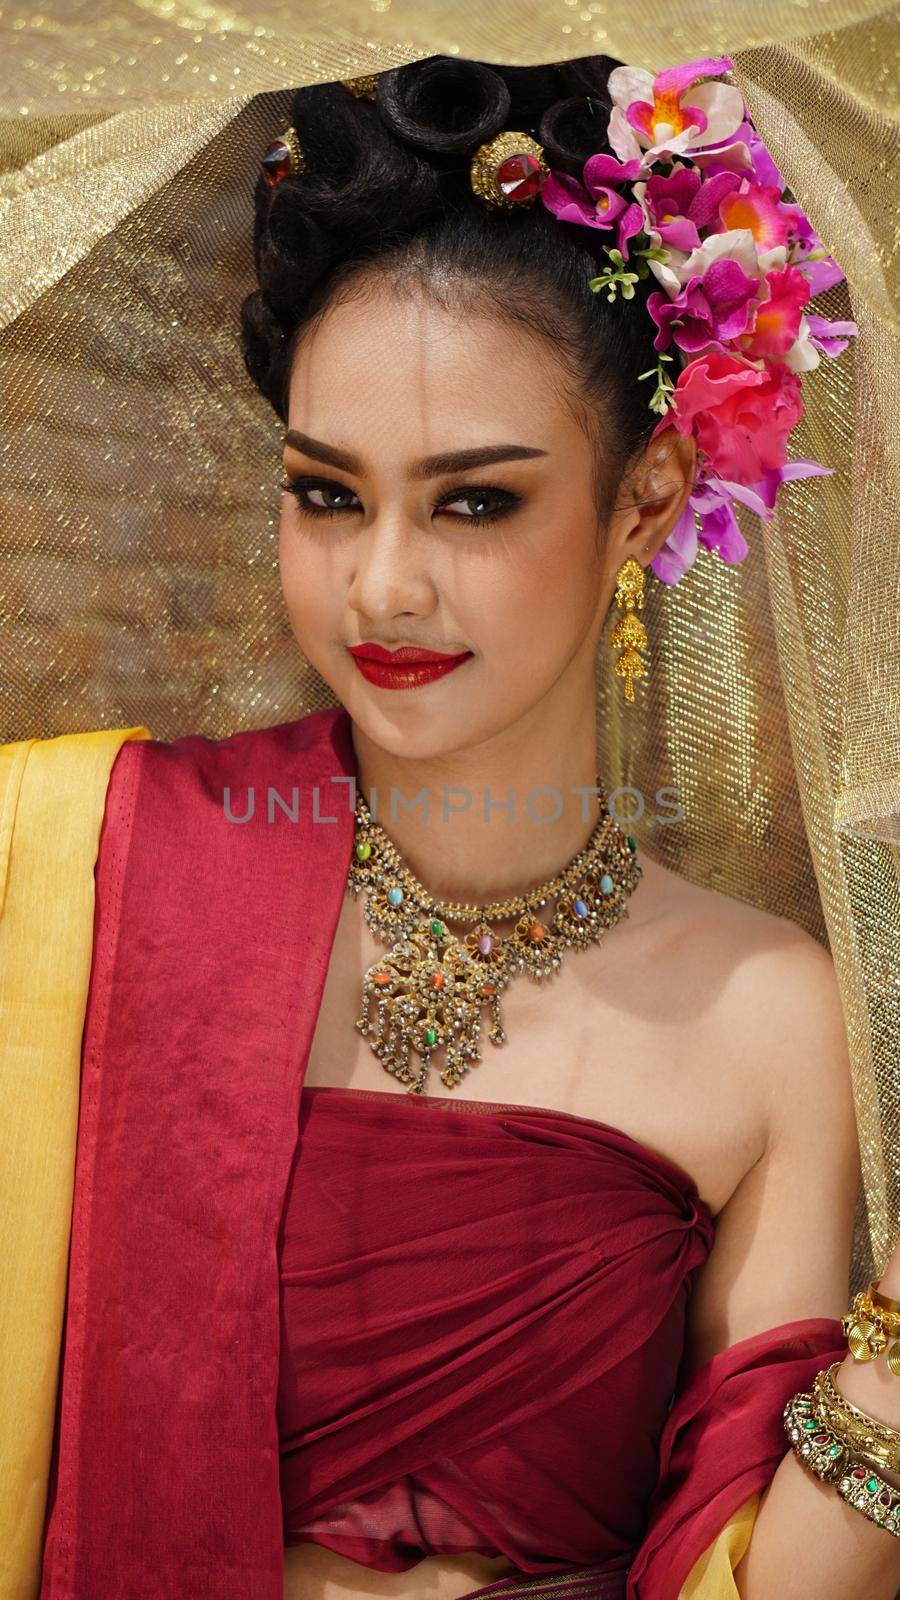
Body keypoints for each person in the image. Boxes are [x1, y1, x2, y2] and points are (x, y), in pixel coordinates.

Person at [3, 51, 899, 1600]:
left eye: (475, 502)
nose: (383, 587)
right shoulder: (71, 870)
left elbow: (759, 1580)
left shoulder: (768, 1020)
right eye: (329, 496)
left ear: (646, 497)